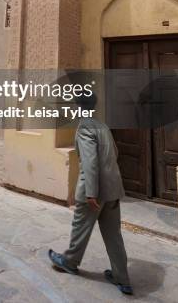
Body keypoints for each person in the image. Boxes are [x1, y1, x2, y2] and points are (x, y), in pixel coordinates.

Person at [48, 81, 133, 296]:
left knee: (80, 227)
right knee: (113, 235)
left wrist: (91, 192)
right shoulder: (102, 126)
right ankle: (122, 277)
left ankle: (69, 261)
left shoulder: (85, 127)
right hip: (113, 190)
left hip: (94, 191)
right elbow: (114, 153)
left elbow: (90, 162)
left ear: (78, 106)